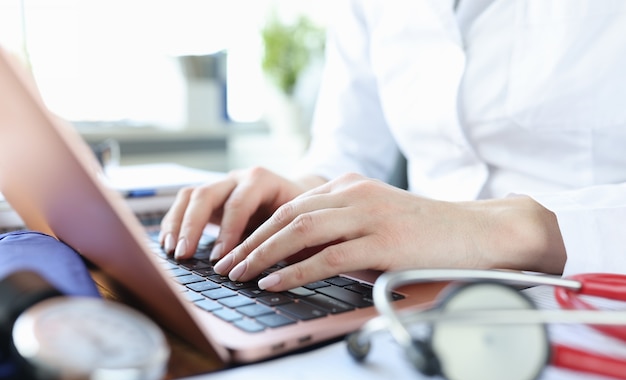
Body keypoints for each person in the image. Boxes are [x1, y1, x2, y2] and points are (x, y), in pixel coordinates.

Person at [159, 0, 626, 292]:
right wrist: (301, 198)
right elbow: (347, 154)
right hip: (414, 295)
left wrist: (505, 229)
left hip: (595, 299)